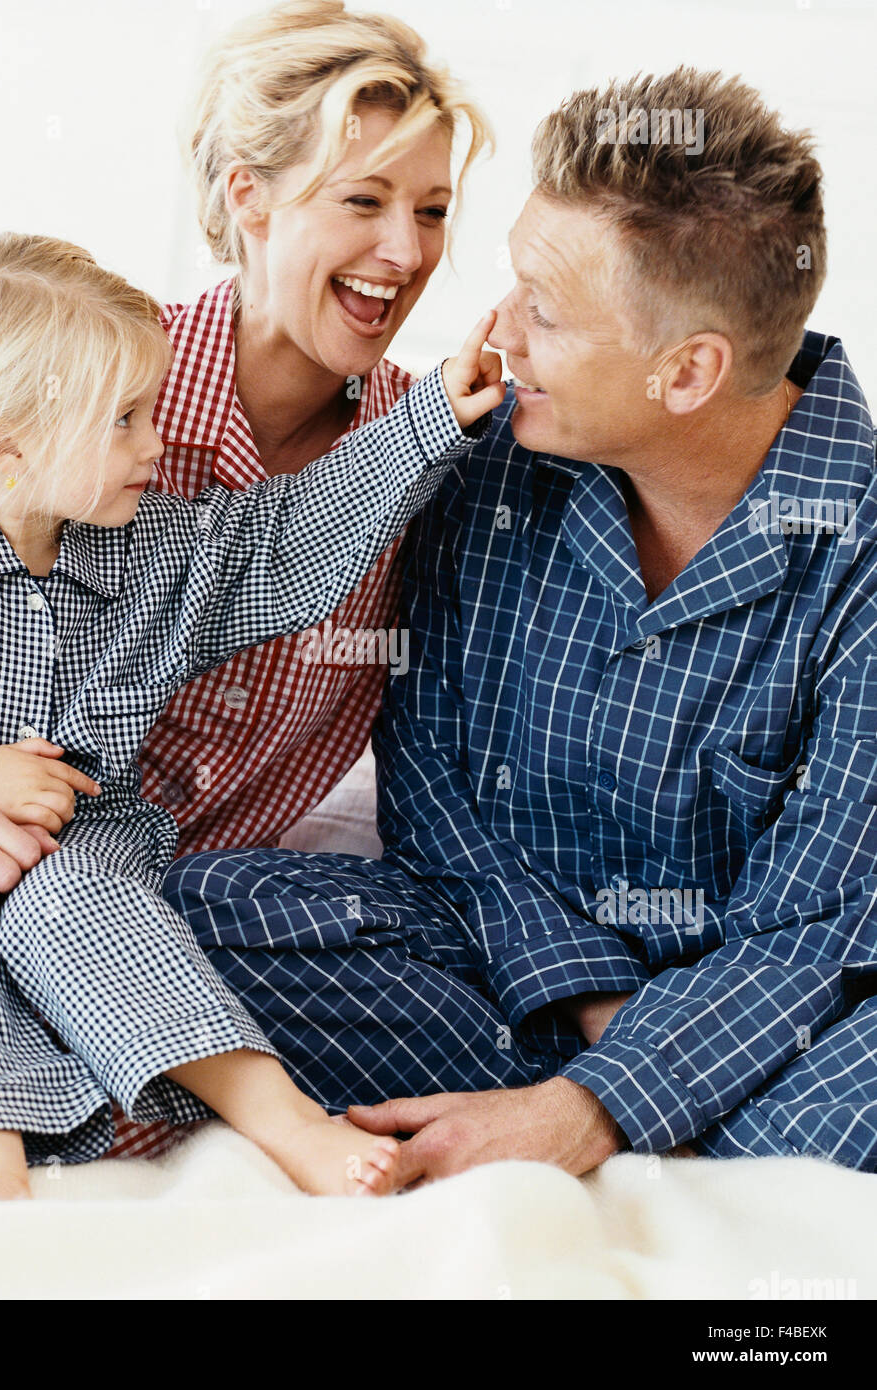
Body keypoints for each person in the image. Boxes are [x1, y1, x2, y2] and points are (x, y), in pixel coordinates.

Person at [163, 67, 877, 1182]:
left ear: (686, 370)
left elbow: (818, 921)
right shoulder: (490, 459)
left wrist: (596, 1104)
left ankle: (652, 1117)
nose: (497, 330)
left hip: (778, 1011)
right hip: (503, 969)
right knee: (177, 913)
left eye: (542, 311)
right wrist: (587, 1007)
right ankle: (645, 1116)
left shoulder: (857, 556)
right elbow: (428, 766)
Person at [0, 0, 493, 1164]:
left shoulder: (415, 459)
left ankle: (174, 1103)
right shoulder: (66, 388)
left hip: (163, 904)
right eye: (363, 199)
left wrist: (442, 408)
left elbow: (296, 538)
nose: (407, 250)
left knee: (424, 997)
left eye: (432, 209)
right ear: (247, 196)